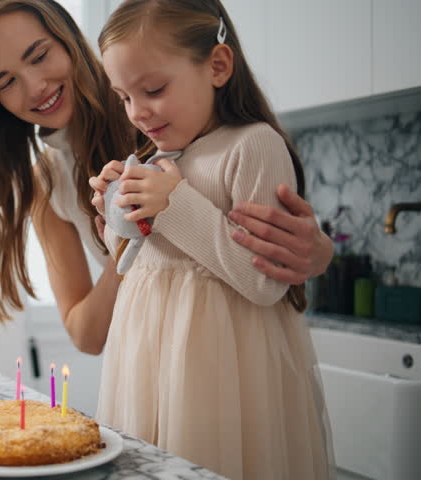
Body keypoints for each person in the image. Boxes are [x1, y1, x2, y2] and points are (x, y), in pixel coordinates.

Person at [0, 0, 333, 354]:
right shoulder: (48, 182)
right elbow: (86, 335)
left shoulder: (164, 119)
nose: (35, 87)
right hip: (157, 357)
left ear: (68, 41)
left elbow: (255, 255)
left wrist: (320, 252)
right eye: (6, 82)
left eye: (40, 56)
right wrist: (132, 241)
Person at [90, 1, 334, 478]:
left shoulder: (252, 145)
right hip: (150, 367)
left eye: (153, 89)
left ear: (218, 66)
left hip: (221, 378)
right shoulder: (155, 160)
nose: (137, 112)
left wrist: (175, 203)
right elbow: (142, 262)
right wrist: (111, 220)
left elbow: (264, 284)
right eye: (123, 96)